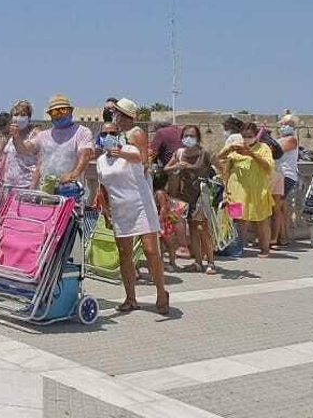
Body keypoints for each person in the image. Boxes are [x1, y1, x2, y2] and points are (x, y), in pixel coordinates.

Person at [92, 98, 169, 314]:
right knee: (124, 252)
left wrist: (121, 153)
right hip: (119, 206)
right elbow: (102, 185)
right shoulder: (107, 147)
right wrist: (105, 211)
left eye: (117, 113)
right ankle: (130, 297)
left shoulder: (135, 133)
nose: (115, 116)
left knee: (151, 250)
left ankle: (161, 292)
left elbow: (143, 160)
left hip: (139, 201)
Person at [218, 120, 275, 257]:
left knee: (261, 221)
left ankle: (265, 249)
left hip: (257, 191)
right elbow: (219, 160)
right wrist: (228, 149)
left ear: (255, 135)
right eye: (244, 135)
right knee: (239, 221)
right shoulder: (236, 147)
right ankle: (237, 249)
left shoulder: (264, 148)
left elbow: (268, 167)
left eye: (249, 136)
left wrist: (252, 154)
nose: (246, 139)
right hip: (236, 192)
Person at [165, 127, 217, 274]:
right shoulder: (179, 153)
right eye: (186, 135)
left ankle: (211, 262)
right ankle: (198, 262)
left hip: (201, 195)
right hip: (184, 196)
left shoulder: (204, 154)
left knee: (202, 229)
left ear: (198, 137)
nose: (188, 138)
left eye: (192, 136)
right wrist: (177, 166)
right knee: (192, 229)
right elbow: (166, 169)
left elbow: (221, 168)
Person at [24, 94, 95, 197]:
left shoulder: (82, 132)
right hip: (47, 192)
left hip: (70, 190)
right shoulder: (43, 135)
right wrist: (15, 135)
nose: (59, 115)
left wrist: (73, 174)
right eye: (54, 112)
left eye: (63, 111)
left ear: (70, 111)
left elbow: (85, 156)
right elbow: (24, 150)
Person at [0, 102, 39, 204]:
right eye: (16, 114)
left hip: (26, 186)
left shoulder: (35, 134)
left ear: (29, 117)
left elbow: (40, 164)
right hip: (7, 186)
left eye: (23, 114)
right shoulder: (9, 134)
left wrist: (32, 190)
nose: (18, 117)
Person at [272, 114, 302, 247]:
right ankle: (282, 237)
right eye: (283, 123)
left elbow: (277, 153)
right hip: (281, 175)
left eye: (289, 124)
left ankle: (275, 238)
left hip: (286, 175)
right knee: (281, 208)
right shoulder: (281, 139)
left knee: (276, 207)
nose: (285, 126)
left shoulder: (291, 140)